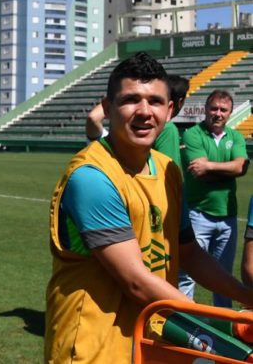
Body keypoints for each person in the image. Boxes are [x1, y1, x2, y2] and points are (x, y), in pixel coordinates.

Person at [45, 52, 253, 363]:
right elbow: (136, 282)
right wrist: (222, 327)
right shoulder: (91, 177)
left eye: (155, 101)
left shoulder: (168, 170)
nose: (144, 111)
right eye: (131, 100)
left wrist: (247, 296)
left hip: (149, 342)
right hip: (94, 348)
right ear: (107, 108)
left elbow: (189, 253)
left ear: (169, 110)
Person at [178, 89, 249, 307]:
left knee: (224, 277)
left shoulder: (236, 136)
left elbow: (241, 167)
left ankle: (222, 324)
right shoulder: (192, 134)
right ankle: (184, 320)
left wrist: (209, 166)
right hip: (197, 214)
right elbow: (199, 174)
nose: (218, 113)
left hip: (228, 217)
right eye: (214, 108)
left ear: (230, 113)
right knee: (187, 274)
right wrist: (228, 171)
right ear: (206, 109)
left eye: (223, 110)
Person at [85, 74, 189, 168]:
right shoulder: (168, 129)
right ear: (180, 102)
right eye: (130, 100)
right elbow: (167, 175)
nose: (144, 112)